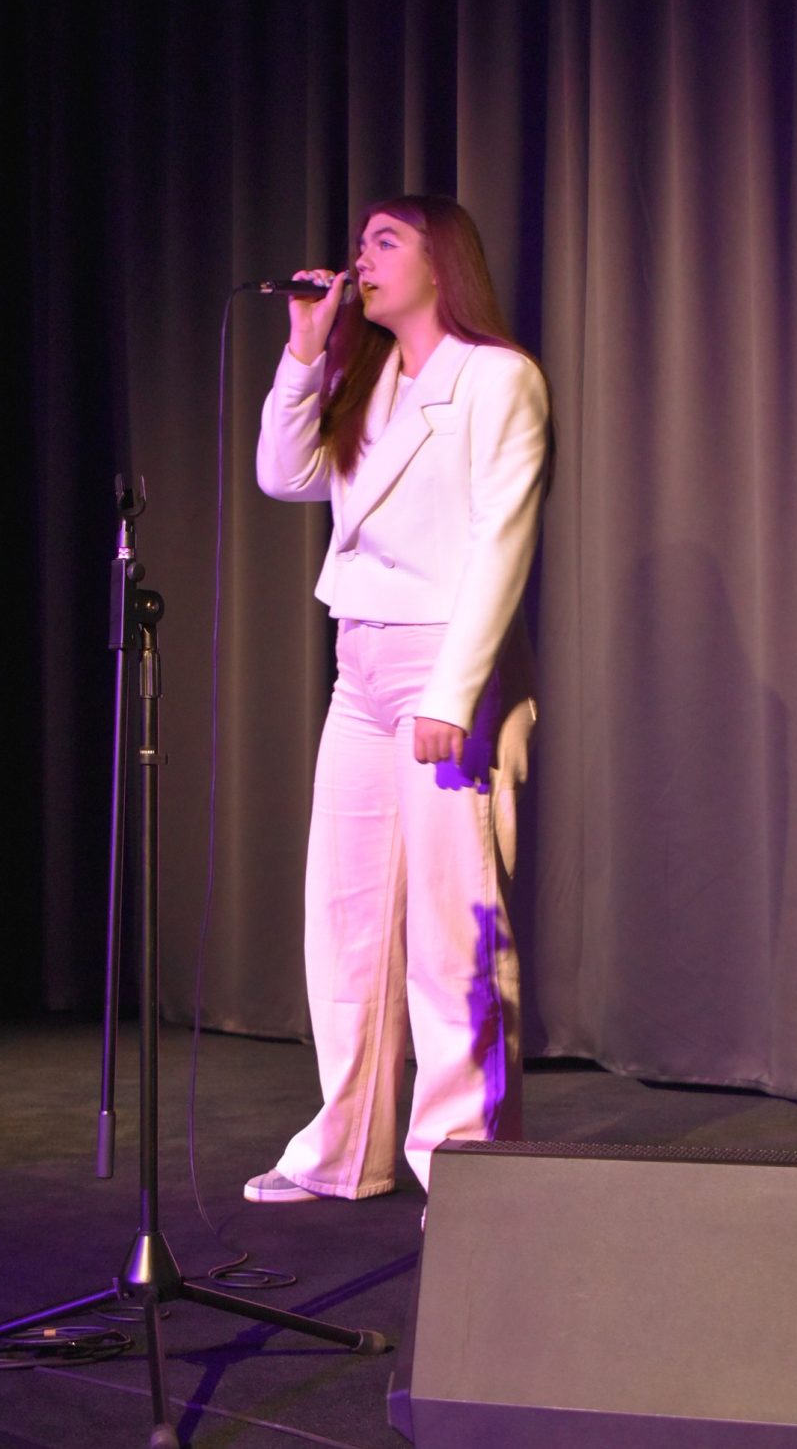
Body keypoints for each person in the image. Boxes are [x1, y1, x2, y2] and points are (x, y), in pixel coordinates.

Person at [246, 194, 549, 1203]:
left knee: (454, 928)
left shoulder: (496, 377)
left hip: (446, 663)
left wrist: (455, 691)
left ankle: (465, 1169)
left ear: (440, 261)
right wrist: (305, 349)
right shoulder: (366, 378)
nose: (361, 259)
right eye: (361, 243)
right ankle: (345, 1148)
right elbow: (284, 473)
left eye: (386, 241)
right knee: (345, 919)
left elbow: (502, 539)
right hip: (360, 665)